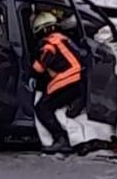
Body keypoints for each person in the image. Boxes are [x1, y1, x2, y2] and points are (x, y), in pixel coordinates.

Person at [31, 11, 85, 154]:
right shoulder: (64, 39)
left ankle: (61, 139)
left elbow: (38, 69)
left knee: (42, 108)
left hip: (67, 80)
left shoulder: (48, 44)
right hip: (80, 79)